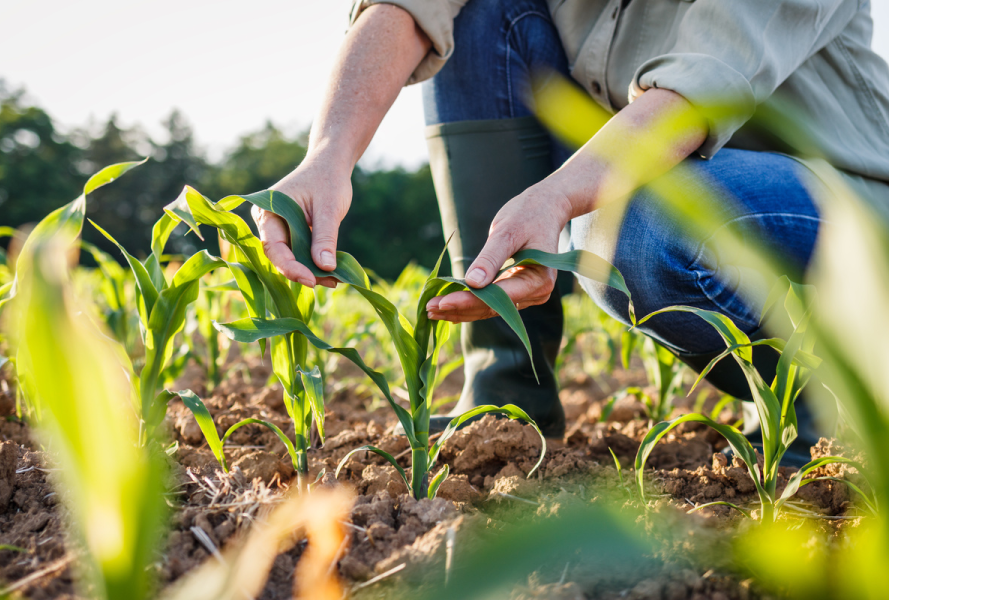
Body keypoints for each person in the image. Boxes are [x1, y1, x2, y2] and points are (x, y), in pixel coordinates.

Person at [253, 0, 888, 464]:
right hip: (660, 170)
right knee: (485, 14)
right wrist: (329, 154)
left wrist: (558, 198)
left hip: (842, 200)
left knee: (630, 225)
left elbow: (698, 88)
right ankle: (507, 398)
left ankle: (837, 402)